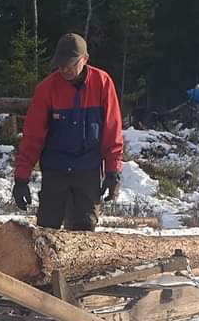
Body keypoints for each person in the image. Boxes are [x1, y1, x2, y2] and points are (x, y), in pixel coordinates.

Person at [12, 32, 123, 230]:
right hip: (55, 171)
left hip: (87, 171)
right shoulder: (46, 89)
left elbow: (111, 131)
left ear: (85, 59)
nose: (64, 69)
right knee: (46, 232)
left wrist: (112, 171)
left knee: (85, 233)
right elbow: (32, 138)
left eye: (70, 64)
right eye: (61, 64)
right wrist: (21, 178)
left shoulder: (103, 83)